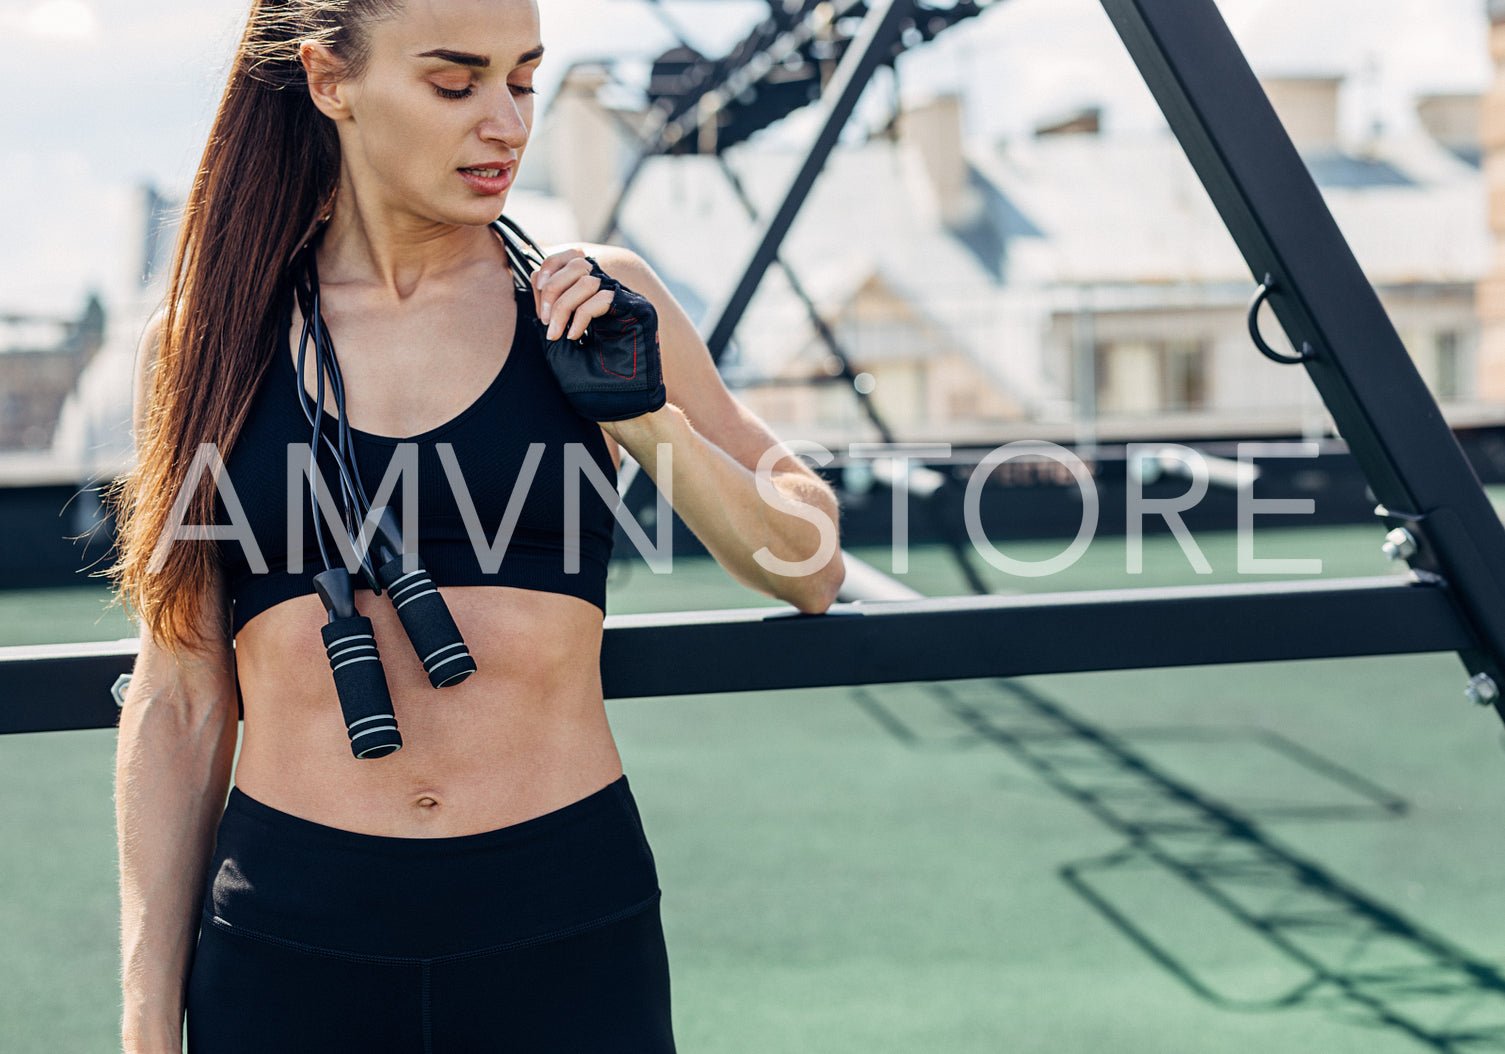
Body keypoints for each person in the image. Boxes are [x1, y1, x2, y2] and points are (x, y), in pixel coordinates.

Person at [107, 0, 845, 1050]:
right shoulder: (207, 341)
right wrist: (144, 1023)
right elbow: (180, 700)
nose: (504, 122)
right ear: (330, 81)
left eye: (524, 80)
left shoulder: (597, 300)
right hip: (289, 938)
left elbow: (810, 564)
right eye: (456, 83)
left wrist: (643, 420)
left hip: (560, 926)